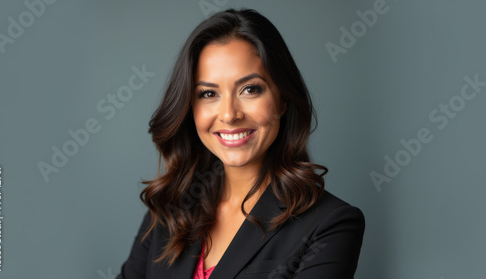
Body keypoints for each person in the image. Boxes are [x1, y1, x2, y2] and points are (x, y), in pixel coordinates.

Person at [117, 8, 365, 279]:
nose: (229, 114)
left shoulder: (329, 225)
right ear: (190, 107)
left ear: (283, 99)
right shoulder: (170, 210)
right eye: (209, 93)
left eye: (250, 89)